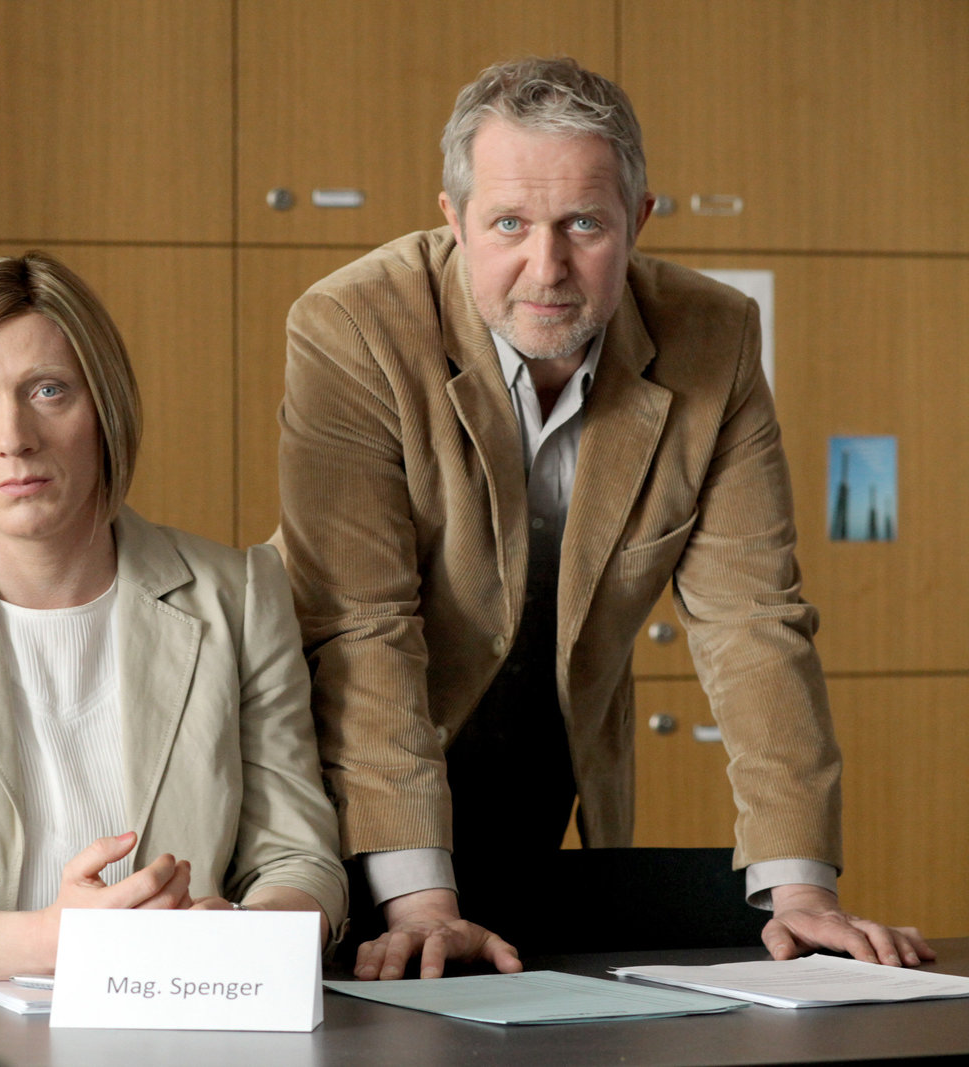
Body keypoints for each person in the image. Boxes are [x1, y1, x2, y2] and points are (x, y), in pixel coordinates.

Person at [276, 56, 932, 980]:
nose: (546, 269)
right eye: (509, 223)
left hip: (546, 775)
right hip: (339, 784)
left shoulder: (715, 338)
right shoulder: (352, 326)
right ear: (454, 219)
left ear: (638, 220)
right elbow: (361, 626)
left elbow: (753, 620)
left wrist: (802, 893)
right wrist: (422, 903)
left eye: (584, 224)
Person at [0, 251, 347, 979]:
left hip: (180, 1014)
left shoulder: (239, 595)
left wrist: (244, 933)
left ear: (106, 408)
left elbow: (299, 860)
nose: (14, 437)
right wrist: (55, 941)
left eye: (48, 391)